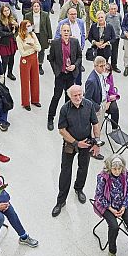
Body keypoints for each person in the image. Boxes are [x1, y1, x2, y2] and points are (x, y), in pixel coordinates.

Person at [53, 84, 102, 217]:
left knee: (83, 167)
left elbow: (95, 123)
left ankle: (79, 189)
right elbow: (62, 130)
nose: (78, 97)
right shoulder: (64, 109)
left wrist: (96, 141)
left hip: (86, 142)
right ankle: (61, 201)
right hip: (70, 144)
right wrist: (76, 143)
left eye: (80, 94)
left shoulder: (88, 105)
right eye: (75, 95)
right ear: (70, 96)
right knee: (65, 171)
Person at [93, 155, 128, 256]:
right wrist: (111, 208)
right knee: (114, 227)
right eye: (114, 169)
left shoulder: (125, 174)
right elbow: (99, 196)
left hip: (122, 204)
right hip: (107, 206)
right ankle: (112, 252)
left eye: (119, 169)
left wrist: (124, 207)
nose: (117, 171)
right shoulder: (102, 177)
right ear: (109, 168)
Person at [47, 23, 84, 131]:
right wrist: (56, 71)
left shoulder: (75, 42)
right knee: (56, 96)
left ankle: (67, 118)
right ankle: (50, 118)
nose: (66, 33)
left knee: (69, 98)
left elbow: (79, 56)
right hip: (60, 74)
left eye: (68, 31)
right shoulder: (55, 43)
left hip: (71, 75)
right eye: (64, 31)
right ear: (60, 32)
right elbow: (51, 58)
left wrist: (75, 65)